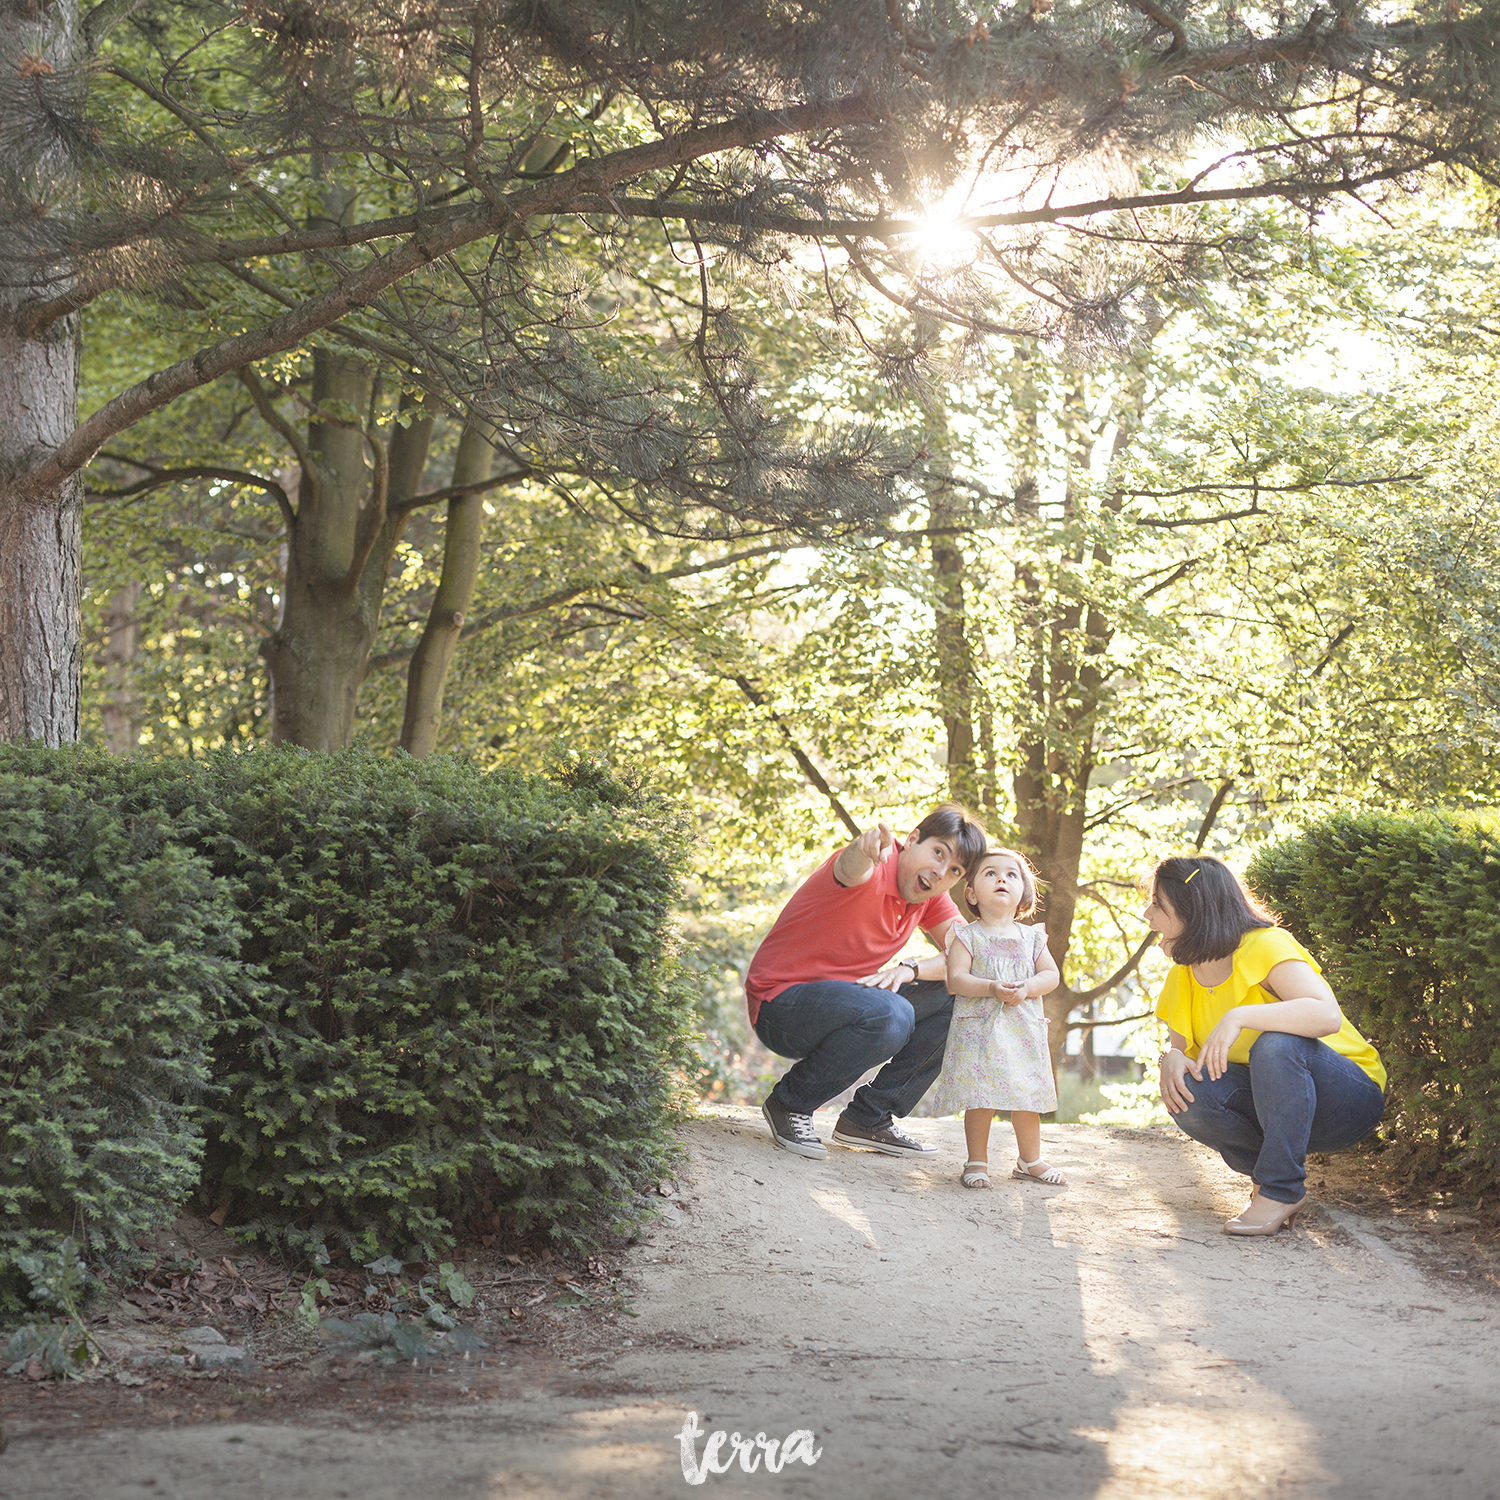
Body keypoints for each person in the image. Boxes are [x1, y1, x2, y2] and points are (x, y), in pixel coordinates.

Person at [1143, 854, 1386, 1236]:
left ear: (1194, 911)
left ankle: (1280, 1189)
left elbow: (1326, 1016)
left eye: (1157, 904)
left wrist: (1240, 1016)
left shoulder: (1264, 946)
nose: (1147, 913)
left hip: (1344, 1099)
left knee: (1275, 1045)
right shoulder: (1182, 977)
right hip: (1276, 1109)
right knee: (1188, 1088)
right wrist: (1171, 1058)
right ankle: (1268, 1182)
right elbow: (1188, 1055)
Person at [746, 804, 989, 1160]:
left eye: (954, 870)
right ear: (912, 839)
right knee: (893, 1014)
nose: (940, 872)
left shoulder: (929, 898)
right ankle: (789, 1105)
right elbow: (849, 868)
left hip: (846, 1002)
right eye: (938, 853)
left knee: (963, 997)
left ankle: (868, 1118)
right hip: (779, 1007)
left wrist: (911, 968)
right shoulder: (874, 866)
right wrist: (861, 849)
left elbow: (970, 957)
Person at [930, 848, 1064, 1188]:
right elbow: (956, 978)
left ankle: (1029, 1159)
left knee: (1026, 1094)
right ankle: (976, 1160)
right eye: (990, 873)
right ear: (972, 892)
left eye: (1011, 874)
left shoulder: (1032, 937)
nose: (1001, 878)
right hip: (979, 1030)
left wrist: (1028, 986)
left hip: (1022, 1030)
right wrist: (990, 986)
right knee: (980, 1095)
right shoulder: (967, 935)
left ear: (1024, 893)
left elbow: (1051, 975)